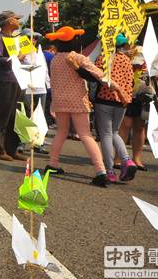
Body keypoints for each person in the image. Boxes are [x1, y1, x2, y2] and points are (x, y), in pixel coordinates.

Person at [44, 26, 126, 187]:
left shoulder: (55, 59)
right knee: (86, 135)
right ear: (75, 41)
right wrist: (118, 88)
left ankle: (52, 164)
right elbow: (100, 76)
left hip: (60, 101)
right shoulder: (79, 58)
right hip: (78, 101)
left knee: (61, 132)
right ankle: (101, 172)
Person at [93, 34, 136, 183]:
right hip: (122, 102)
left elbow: (96, 75)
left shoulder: (103, 58)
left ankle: (110, 171)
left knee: (105, 135)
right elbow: (131, 81)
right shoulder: (126, 60)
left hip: (104, 99)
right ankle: (127, 160)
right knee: (115, 133)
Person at [0, 10, 24, 161]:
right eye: (16, 19)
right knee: (3, 117)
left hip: (16, 80)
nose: (19, 21)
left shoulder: (15, 39)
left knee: (15, 117)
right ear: (9, 21)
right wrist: (15, 58)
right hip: (4, 81)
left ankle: (12, 148)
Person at [117, 48, 152, 171]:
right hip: (127, 93)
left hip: (145, 94)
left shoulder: (150, 47)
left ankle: (136, 158)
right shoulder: (126, 48)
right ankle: (118, 157)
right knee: (125, 125)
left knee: (140, 126)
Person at [20, 28, 50, 154]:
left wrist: (48, 85)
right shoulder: (21, 50)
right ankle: (21, 142)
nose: (33, 40)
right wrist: (23, 52)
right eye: (30, 38)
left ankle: (39, 143)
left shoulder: (40, 51)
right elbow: (17, 62)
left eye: (35, 38)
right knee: (26, 114)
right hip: (27, 86)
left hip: (41, 87)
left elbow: (44, 69)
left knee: (39, 115)